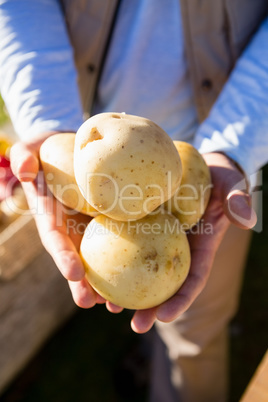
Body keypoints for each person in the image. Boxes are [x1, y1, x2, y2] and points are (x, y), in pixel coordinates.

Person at [0, 1, 267, 401]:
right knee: (161, 303)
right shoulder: (86, 159)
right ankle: (151, 355)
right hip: (83, 122)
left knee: (196, 326)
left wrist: (234, 148)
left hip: (211, 156)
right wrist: (48, 117)